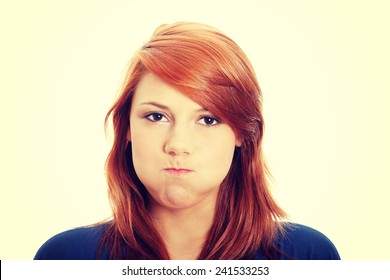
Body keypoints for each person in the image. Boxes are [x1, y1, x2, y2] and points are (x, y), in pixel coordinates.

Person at [34, 22, 340, 260]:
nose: (178, 145)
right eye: (156, 117)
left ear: (241, 134)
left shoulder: (307, 255)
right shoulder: (65, 258)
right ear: (127, 128)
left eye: (208, 119)